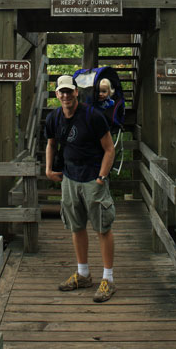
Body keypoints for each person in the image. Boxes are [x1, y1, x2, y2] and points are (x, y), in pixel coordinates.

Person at [45, 74, 116, 302]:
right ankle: (83, 273)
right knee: (76, 226)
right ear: (57, 94)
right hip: (70, 177)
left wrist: (101, 177)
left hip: (92, 178)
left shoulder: (92, 116)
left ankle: (108, 278)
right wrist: (48, 169)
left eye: (69, 91)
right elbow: (51, 143)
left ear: (76, 92)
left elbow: (109, 148)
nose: (65, 95)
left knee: (102, 227)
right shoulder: (54, 117)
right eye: (61, 92)